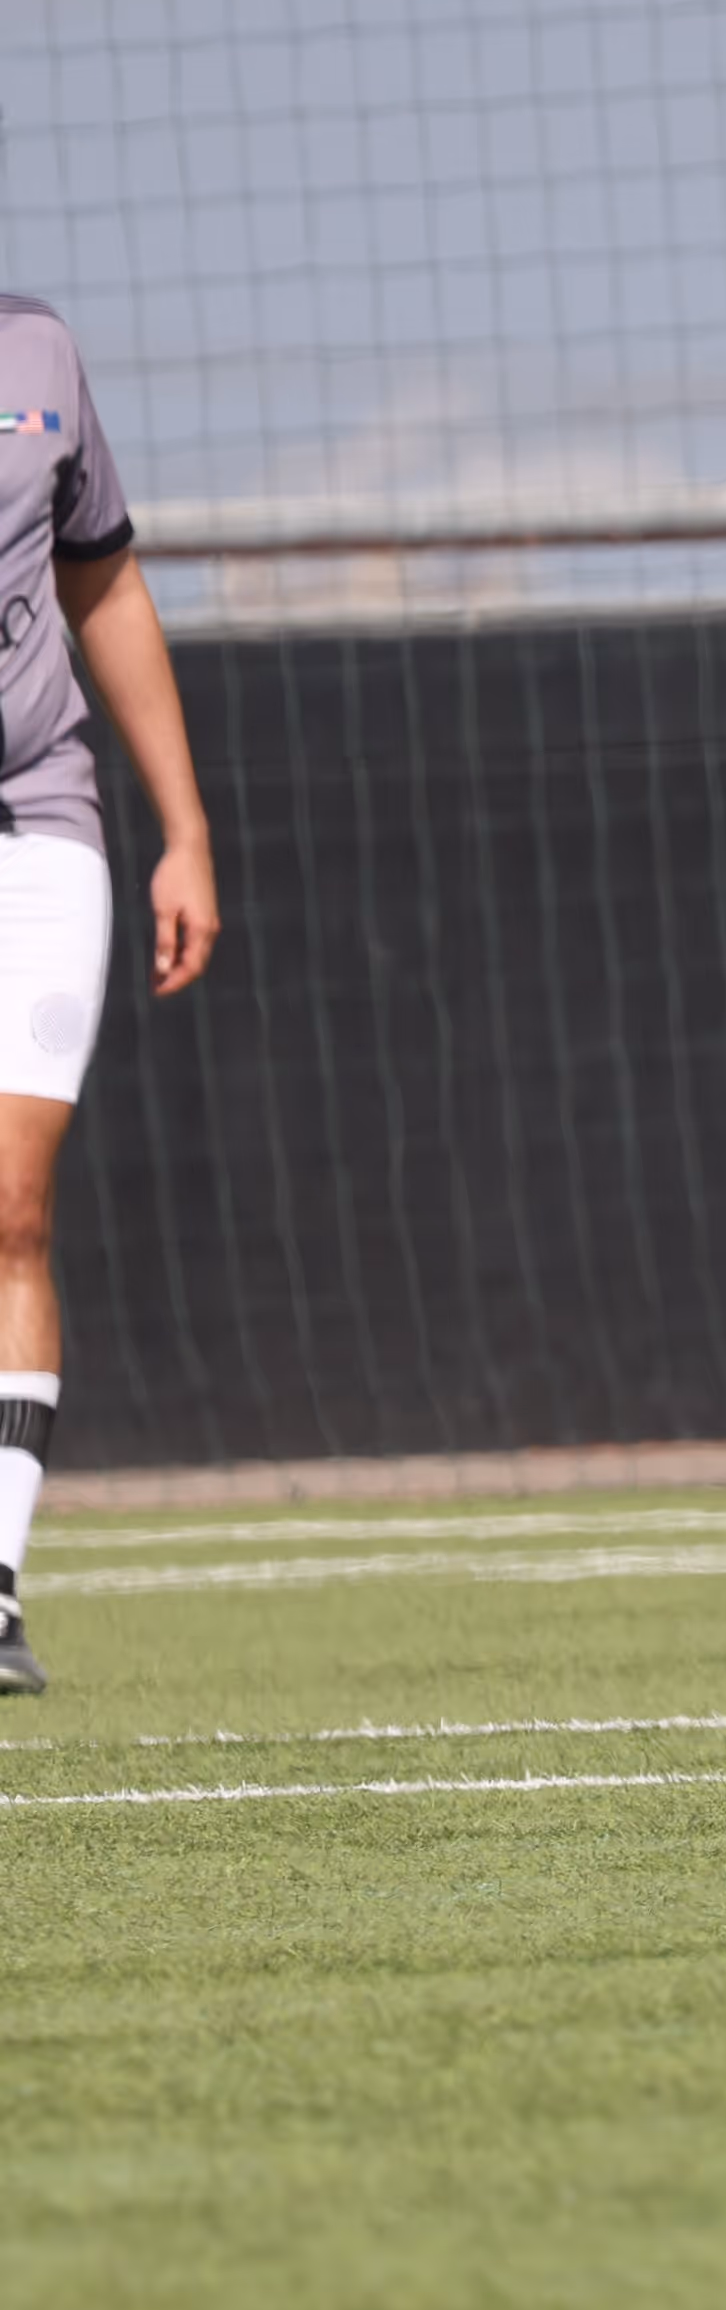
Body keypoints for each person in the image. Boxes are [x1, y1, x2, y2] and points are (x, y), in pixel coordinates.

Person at [0, 298, 223, 1694]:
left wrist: (184, 830)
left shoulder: (40, 352)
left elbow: (107, 588)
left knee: (9, 1202)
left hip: (38, 823)